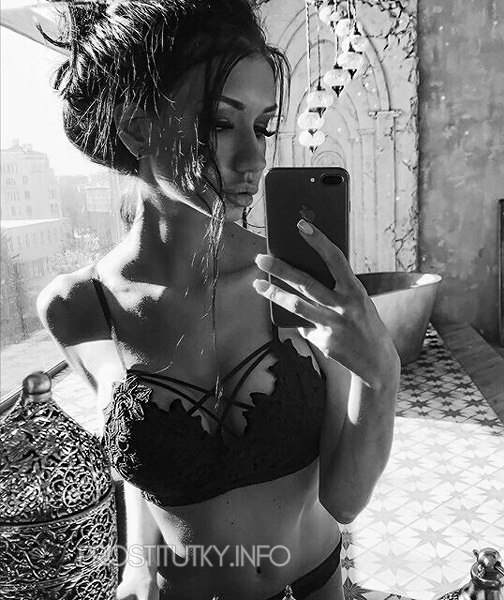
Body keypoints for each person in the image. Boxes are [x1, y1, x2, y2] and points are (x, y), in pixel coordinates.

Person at [37, 1, 400, 599]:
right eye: (220, 123)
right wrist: (136, 566)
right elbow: (138, 458)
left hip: (314, 586)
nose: (253, 160)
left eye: (262, 127)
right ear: (137, 128)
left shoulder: (294, 281)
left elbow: (344, 499)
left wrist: (380, 375)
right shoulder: (79, 307)